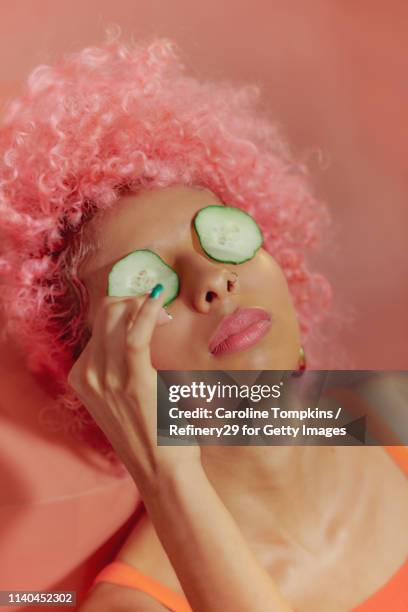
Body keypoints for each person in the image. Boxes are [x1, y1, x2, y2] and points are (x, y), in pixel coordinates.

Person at [0, 27, 406, 611]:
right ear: (108, 376)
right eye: (150, 284)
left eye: (220, 238)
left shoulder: (391, 406)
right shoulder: (132, 605)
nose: (212, 280)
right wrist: (165, 475)